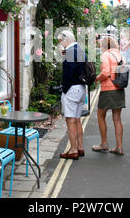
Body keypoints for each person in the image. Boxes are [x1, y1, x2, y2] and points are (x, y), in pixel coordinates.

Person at [92, 37, 125, 156]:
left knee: (101, 115)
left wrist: (97, 78)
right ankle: (119, 147)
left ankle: (104, 144)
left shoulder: (105, 55)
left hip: (107, 89)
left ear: (104, 45)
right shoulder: (119, 54)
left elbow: (105, 73)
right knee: (117, 118)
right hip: (119, 88)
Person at [58, 30, 87, 160]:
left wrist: (64, 90)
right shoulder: (79, 49)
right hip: (81, 88)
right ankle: (80, 148)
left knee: (70, 121)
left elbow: (68, 74)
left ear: (66, 40)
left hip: (72, 90)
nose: (61, 44)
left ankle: (73, 150)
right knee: (77, 120)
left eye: (61, 42)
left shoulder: (70, 52)